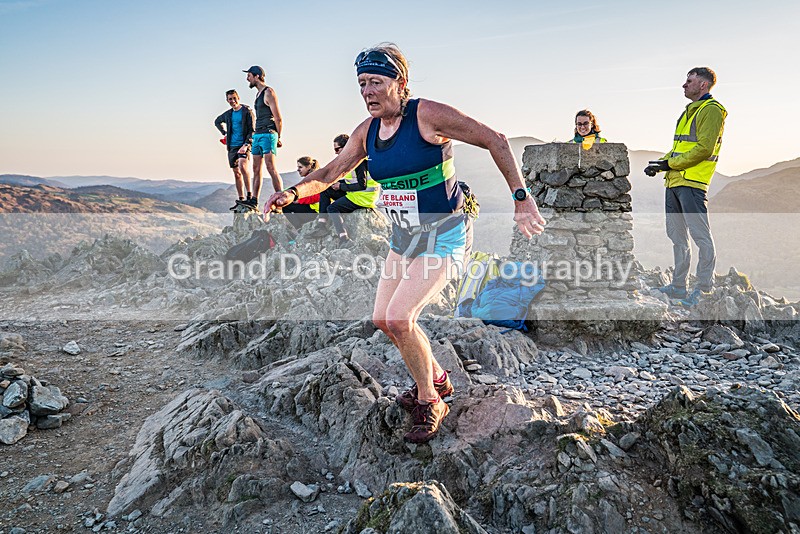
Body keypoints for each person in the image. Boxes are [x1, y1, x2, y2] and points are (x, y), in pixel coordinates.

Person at [267, 44, 546, 444]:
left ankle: (430, 400)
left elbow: (496, 139)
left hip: (445, 234)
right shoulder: (367, 133)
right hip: (404, 239)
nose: (367, 92)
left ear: (400, 83)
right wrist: (291, 195)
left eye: (376, 82)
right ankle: (437, 376)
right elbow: (329, 172)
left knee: (401, 318)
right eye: (362, 84)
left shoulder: (427, 115)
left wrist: (521, 199)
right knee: (383, 319)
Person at [644, 67, 727, 307]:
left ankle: (704, 289)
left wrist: (669, 164)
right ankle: (679, 287)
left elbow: (704, 148)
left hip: (692, 182)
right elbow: (680, 147)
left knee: (701, 237)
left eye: (689, 81)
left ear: (703, 85)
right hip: (674, 181)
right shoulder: (689, 112)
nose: (684, 85)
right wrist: (661, 164)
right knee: (677, 236)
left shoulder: (711, 110)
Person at [306, 134, 380, 243]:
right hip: (356, 193)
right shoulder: (351, 160)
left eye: (337, 149)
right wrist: (337, 183)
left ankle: (343, 237)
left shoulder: (358, 162)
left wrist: (341, 186)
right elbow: (353, 180)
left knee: (332, 208)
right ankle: (321, 225)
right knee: (326, 191)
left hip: (363, 197)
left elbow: (362, 185)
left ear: (346, 148)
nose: (335, 152)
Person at [243, 65, 285, 210]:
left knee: (270, 166)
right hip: (258, 134)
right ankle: (254, 200)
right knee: (256, 169)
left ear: (256, 76)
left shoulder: (269, 92)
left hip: (268, 133)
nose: (247, 78)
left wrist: (278, 136)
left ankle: (280, 199)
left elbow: (278, 118)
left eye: (249, 75)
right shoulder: (257, 94)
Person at [213, 90, 255, 209]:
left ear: (238, 98)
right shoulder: (227, 114)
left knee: (243, 166)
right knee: (236, 173)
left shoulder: (247, 111)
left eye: (234, 98)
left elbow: (252, 130)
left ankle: (249, 196)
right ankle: (241, 199)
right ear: (227, 100)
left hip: (244, 144)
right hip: (232, 146)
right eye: (230, 99)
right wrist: (224, 133)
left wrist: (247, 144)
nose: (233, 101)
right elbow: (217, 121)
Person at [282, 156, 321, 229]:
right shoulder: (308, 179)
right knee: (287, 203)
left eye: (300, 167)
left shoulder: (314, 179)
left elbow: (318, 197)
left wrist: (299, 200)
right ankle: (301, 228)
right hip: (311, 210)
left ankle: (299, 229)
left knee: (286, 206)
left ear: (308, 167)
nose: (298, 170)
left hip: (316, 212)